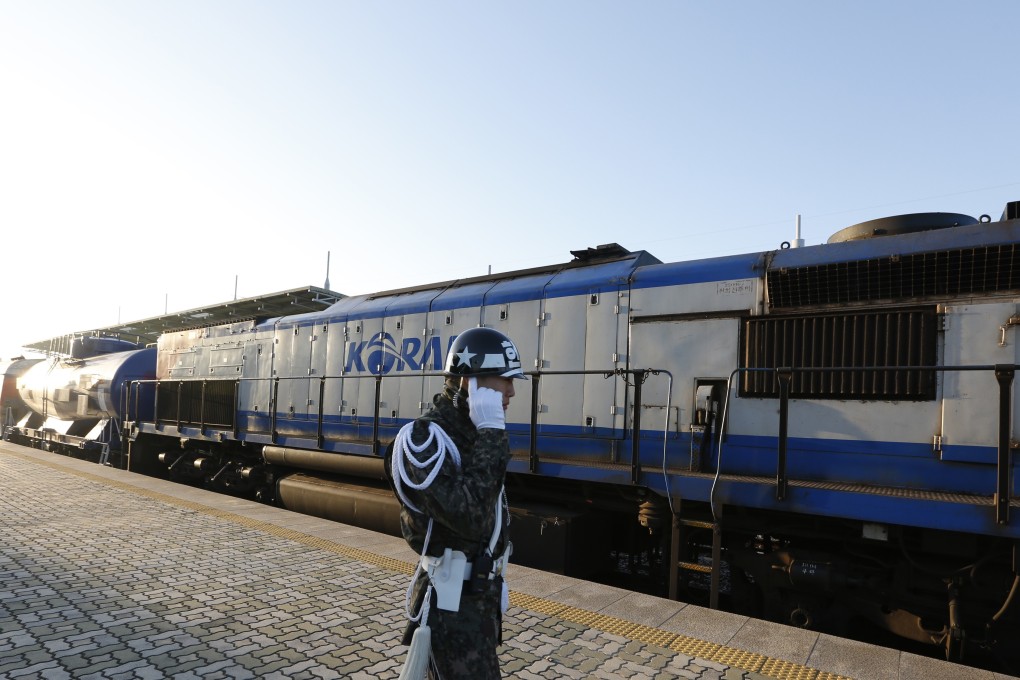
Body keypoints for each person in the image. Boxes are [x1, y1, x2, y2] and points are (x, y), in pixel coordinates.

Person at [386, 327, 525, 679]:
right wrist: (493, 432)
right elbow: (472, 518)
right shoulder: (425, 439)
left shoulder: (470, 432)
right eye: (504, 379)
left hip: (476, 603)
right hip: (451, 609)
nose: (511, 390)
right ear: (470, 382)